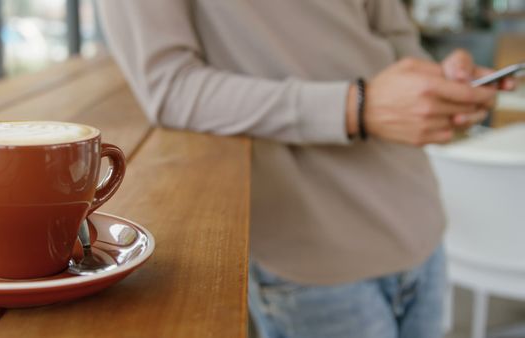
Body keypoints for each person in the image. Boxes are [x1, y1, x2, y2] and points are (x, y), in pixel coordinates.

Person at [99, 1, 513, 337]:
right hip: (312, 254)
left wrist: (442, 81)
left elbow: (396, 38)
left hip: (419, 220)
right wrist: (357, 107)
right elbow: (171, 89)